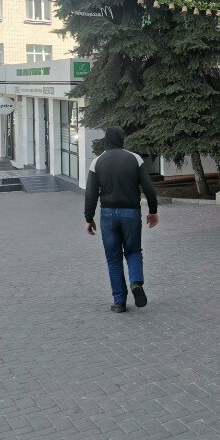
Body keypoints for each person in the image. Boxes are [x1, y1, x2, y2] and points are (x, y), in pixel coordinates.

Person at [84, 126, 159, 313]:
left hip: (108, 215)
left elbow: (91, 194)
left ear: (106, 141)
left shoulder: (97, 162)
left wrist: (89, 218)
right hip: (131, 213)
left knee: (113, 259)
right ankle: (136, 283)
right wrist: (153, 211)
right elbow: (149, 188)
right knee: (133, 251)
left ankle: (119, 302)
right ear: (122, 140)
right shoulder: (135, 158)